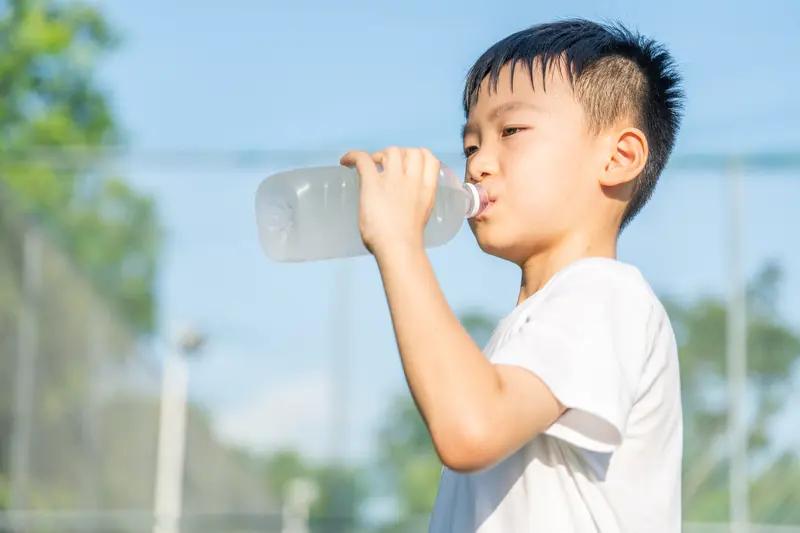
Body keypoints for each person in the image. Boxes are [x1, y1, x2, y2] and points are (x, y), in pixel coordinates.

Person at [340, 17, 684, 532]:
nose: (478, 164)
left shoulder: (605, 294)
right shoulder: (534, 327)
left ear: (620, 156)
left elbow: (470, 429)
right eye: (472, 144)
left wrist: (399, 243)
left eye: (511, 131)